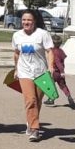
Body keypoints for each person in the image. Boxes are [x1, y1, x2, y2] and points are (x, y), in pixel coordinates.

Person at [12, 10, 55, 142]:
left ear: (34, 21)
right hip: (24, 72)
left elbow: (49, 51)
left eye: (29, 20)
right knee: (30, 100)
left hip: (41, 72)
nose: (26, 22)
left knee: (37, 100)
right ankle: (35, 129)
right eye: (24, 20)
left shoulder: (42, 34)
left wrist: (51, 67)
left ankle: (30, 121)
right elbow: (16, 53)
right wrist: (15, 69)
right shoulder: (17, 35)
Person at [47, 35, 75, 107]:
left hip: (54, 72)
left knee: (50, 85)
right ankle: (69, 96)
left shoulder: (53, 52)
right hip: (60, 73)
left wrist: (61, 71)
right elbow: (63, 58)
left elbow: (58, 62)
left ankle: (51, 99)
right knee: (63, 86)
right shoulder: (60, 51)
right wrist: (62, 72)